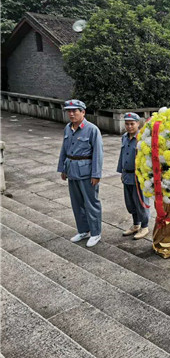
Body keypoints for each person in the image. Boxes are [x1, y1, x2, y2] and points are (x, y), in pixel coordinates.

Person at [57, 99, 103, 247]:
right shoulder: (68, 128)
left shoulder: (92, 129)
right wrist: (63, 169)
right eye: (69, 111)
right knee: (76, 203)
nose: (71, 114)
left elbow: (98, 154)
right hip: (72, 170)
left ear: (83, 112)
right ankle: (83, 230)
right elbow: (64, 150)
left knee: (91, 203)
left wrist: (96, 174)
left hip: (86, 171)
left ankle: (95, 233)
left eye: (74, 111)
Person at [117, 112, 150, 239]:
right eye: (127, 124)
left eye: (132, 124)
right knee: (130, 202)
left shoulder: (142, 138)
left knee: (140, 202)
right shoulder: (125, 137)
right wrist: (122, 171)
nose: (129, 126)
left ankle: (144, 226)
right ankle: (135, 224)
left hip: (138, 176)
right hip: (127, 175)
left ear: (138, 124)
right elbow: (122, 155)